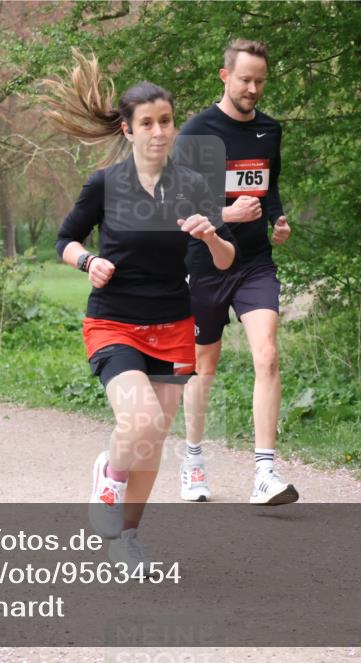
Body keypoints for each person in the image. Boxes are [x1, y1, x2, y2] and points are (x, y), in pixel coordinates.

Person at [45, 53, 236, 565]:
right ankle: (109, 474)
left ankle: (127, 537)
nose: (159, 132)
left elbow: (225, 258)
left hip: (174, 323)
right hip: (114, 321)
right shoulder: (105, 184)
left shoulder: (192, 185)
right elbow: (63, 239)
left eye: (166, 122)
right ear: (128, 131)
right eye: (147, 124)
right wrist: (88, 261)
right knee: (142, 419)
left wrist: (211, 234)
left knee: (152, 440)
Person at [177, 39, 298, 505]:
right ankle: (192, 460)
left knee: (267, 355)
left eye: (260, 81)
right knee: (203, 365)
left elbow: (269, 188)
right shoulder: (196, 134)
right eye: (245, 79)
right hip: (204, 263)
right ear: (225, 76)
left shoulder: (270, 130)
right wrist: (229, 216)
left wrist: (277, 221)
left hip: (253, 264)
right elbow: (182, 208)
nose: (253, 88)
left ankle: (265, 473)